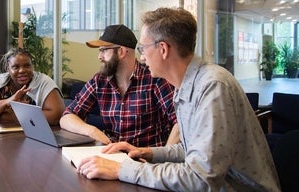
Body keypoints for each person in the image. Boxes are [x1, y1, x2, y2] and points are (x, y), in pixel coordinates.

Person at [75, 7, 280, 191]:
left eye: (143, 49)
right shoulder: (185, 86)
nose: (142, 58)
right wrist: (146, 153)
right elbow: (191, 149)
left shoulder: (213, 87)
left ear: (163, 49)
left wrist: (123, 169)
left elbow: (201, 179)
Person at [0, 47, 65, 191]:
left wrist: (4, 114)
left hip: (36, 145)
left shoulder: (43, 82)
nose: (22, 70)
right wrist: (8, 101)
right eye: (16, 67)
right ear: (7, 68)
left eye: (27, 65)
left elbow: (56, 115)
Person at [59, 24, 179, 147]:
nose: (99, 56)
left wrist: (166, 156)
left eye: (104, 50)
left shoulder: (155, 79)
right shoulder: (99, 80)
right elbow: (67, 117)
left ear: (121, 52)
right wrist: (92, 131)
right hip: (111, 156)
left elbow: (180, 122)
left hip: (145, 161)